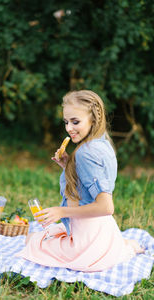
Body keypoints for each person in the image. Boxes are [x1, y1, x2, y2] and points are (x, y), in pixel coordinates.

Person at [16, 90, 144, 272]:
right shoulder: (102, 143)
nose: (69, 128)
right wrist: (68, 166)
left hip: (86, 240)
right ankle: (119, 246)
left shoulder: (85, 153)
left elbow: (106, 207)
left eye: (75, 122)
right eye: (66, 122)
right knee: (47, 235)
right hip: (104, 230)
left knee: (33, 242)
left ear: (94, 120)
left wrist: (61, 211)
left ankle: (99, 250)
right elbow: (90, 182)